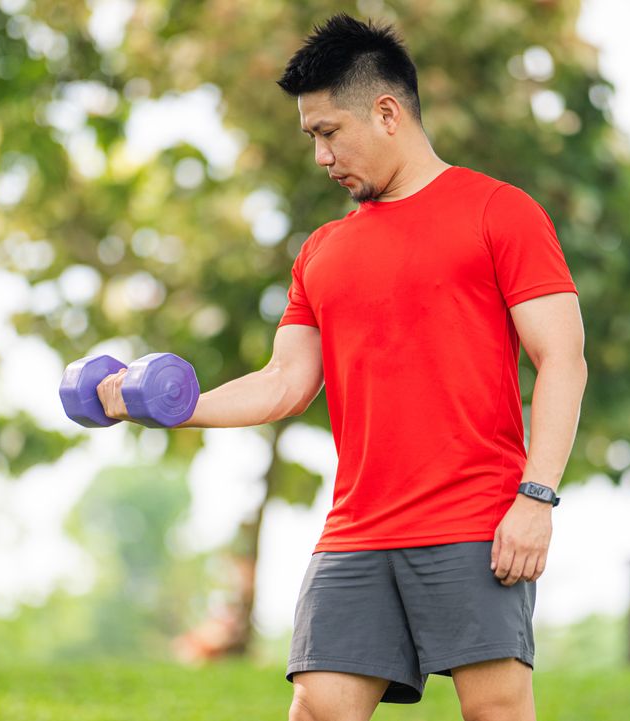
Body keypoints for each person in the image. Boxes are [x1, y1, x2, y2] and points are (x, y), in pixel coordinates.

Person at [98, 12, 587, 721]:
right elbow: (283, 382)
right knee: (319, 705)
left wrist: (536, 497)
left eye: (329, 132)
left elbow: (562, 358)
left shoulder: (499, 213)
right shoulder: (323, 251)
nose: (322, 156)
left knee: (496, 711)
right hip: (359, 527)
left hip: (475, 519)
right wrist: (164, 403)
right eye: (311, 138)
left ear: (387, 112)